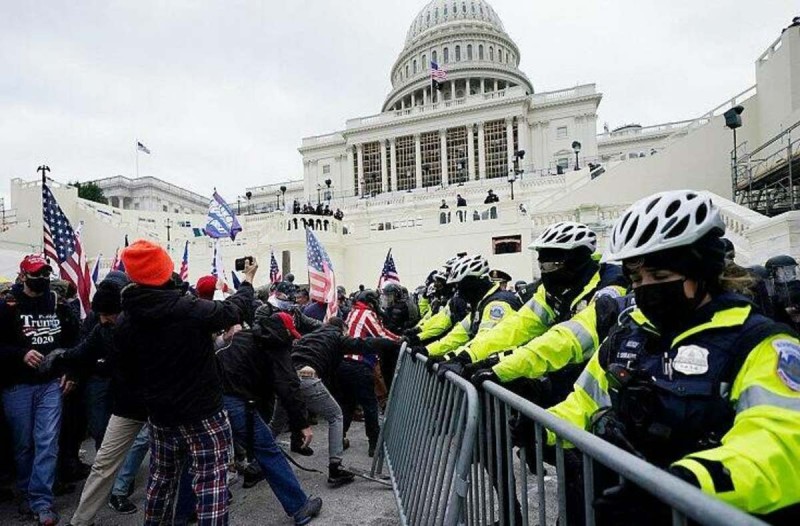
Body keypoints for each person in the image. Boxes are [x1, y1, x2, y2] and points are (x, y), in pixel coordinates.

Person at [543, 190, 800, 524]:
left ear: (702, 274)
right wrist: (542, 427)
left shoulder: (760, 343)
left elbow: (780, 444)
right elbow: (585, 401)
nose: (646, 288)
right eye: (637, 278)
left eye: (661, 278)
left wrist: (683, 484)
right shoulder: (628, 333)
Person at [115, 240, 256, 525]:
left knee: (161, 482)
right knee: (211, 484)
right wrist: (247, 282)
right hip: (204, 414)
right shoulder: (187, 309)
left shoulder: (125, 321)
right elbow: (232, 312)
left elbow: (126, 372)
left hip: (161, 416)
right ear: (165, 270)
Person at [215, 310, 322, 525]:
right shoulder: (275, 346)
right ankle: (300, 507)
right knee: (269, 452)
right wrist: (302, 424)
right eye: (290, 335)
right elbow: (288, 386)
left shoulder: (242, 337)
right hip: (238, 404)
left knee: (204, 457)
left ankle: (187, 511)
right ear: (282, 333)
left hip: (211, 400)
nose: (291, 340)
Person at [0, 255, 80, 526]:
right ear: (23, 276)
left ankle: (41, 500)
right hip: (17, 386)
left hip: (51, 384)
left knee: (47, 442)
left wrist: (72, 372)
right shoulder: (7, 307)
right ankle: (24, 491)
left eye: (46, 273)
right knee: (24, 444)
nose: (43, 278)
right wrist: (20, 354)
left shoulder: (58, 304)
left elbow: (74, 343)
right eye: (37, 274)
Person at [270, 317, 397, 487]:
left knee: (276, 424)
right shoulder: (337, 337)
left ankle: (255, 465)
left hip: (286, 379)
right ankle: (335, 468)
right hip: (306, 377)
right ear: (343, 330)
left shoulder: (308, 337)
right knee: (336, 415)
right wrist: (393, 344)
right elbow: (364, 344)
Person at [413, 254, 521, 367]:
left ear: (473, 283)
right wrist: (427, 350)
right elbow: (456, 336)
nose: (459, 292)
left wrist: (451, 357)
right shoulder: (481, 305)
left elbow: (483, 342)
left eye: (460, 286)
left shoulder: (497, 305)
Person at [342, 290, 401, 448]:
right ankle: (374, 444)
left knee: (347, 404)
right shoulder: (366, 314)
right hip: (360, 364)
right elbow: (381, 334)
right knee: (370, 405)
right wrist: (400, 340)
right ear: (371, 302)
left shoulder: (351, 313)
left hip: (343, 363)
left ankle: (339, 440)